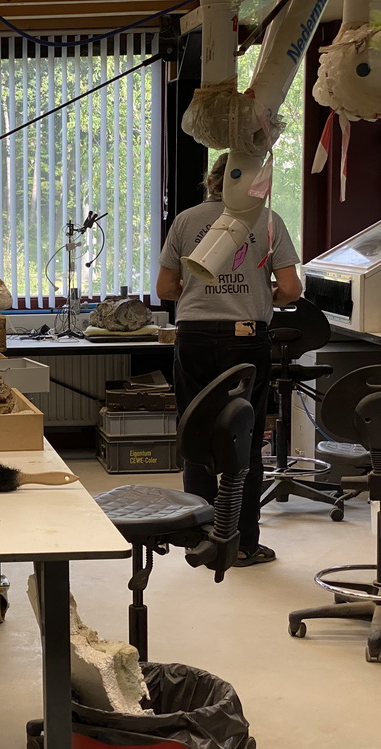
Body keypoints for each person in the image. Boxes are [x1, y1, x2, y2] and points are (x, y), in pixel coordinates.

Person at [156, 152, 303, 567]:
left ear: (212, 181)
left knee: (196, 433)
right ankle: (241, 543)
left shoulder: (186, 221)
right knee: (245, 441)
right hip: (246, 339)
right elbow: (291, 288)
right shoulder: (268, 221)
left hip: (196, 337)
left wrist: (201, 291)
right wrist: (262, 295)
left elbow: (166, 287)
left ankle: (196, 536)